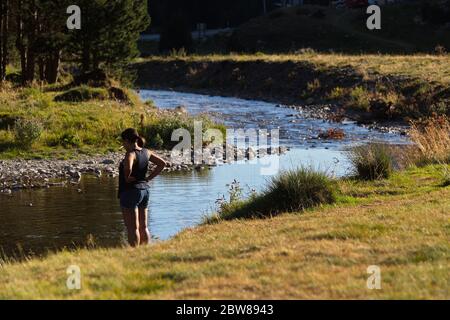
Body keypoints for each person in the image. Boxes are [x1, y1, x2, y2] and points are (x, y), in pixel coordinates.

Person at [118, 128, 166, 247]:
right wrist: (149, 178)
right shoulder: (146, 152)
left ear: (128, 140)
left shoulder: (130, 154)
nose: (123, 145)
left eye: (123, 142)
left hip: (130, 192)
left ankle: (135, 253)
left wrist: (127, 177)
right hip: (144, 191)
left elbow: (128, 166)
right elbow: (162, 163)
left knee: (132, 228)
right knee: (143, 226)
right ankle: (146, 251)